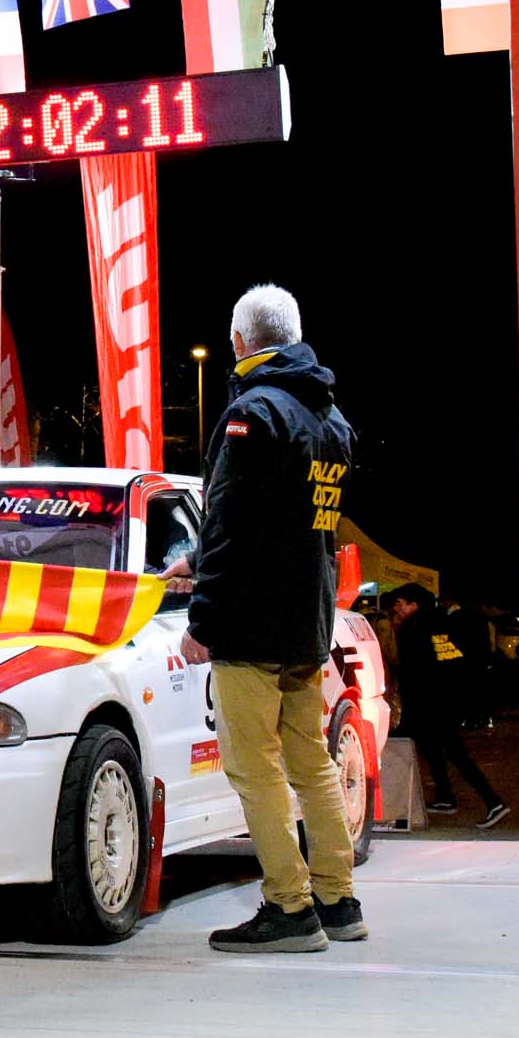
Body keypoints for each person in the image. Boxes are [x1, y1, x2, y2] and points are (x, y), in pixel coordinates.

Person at [176, 284, 364, 953]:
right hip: (305, 621)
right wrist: (197, 559)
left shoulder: (253, 413)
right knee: (311, 761)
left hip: (250, 625)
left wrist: (202, 618)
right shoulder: (331, 418)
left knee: (254, 767)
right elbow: (292, 522)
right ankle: (338, 900)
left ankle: (289, 907)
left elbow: (234, 525)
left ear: (238, 341)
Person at [384, 583, 510, 829]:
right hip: (448, 698)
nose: (396, 609)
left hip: (429, 702)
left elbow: (412, 672)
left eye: (400, 603)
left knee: (455, 753)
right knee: (431, 746)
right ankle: (445, 797)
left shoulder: (411, 628)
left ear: (413, 604)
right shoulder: (442, 622)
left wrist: (407, 710)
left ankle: (494, 802)